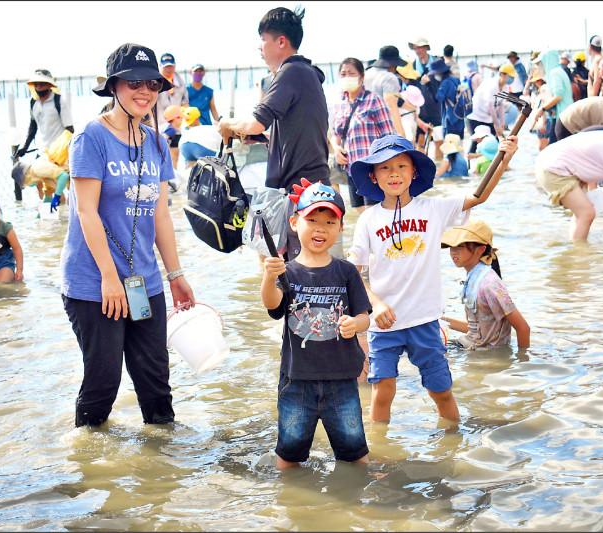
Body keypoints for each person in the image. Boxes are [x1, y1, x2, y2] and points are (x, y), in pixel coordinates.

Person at [61, 43, 196, 428]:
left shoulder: (155, 141)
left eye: (152, 84)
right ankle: (89, 462)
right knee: (104, 381)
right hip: (94, 282)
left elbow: (160, 213)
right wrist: (108, 276)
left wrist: (175, 275)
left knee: (156, 382)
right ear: (114, 87)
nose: (145, 92)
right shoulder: (91, 138)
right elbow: (85, 211)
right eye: (134, 82)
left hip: (144, 280)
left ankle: (162, 471)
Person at [346, 133, 519, 424]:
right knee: (382, 391)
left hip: (425, 320)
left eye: (401, 166)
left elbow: (479, 195)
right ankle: (380, 457)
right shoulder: (368, 219)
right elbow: (353, 271)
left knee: (441, 391)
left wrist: (504, 159)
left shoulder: (432, 209)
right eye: (384, 168)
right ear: (373, 176)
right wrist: (375, 303)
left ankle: (452, 447)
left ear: (414, 172)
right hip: (384, 323)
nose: (394, 173)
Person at [260, 179, 371, 470]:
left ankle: (358, 503)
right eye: (312, 219)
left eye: (329, 221)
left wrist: (354, 325)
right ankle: (290, 506)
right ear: (295, 222)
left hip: (343, 379)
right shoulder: (288, 272)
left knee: (355, 453)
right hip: (296, 380)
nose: (321, 227)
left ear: (340, 228)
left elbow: (364, 316)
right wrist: (268, 277)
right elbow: (273, 306)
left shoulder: (346, 271)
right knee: (289, 455)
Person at [218, 6, 330, 261]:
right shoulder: (308, 73)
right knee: (288, 268)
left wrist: (227, 124)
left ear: (281, 42)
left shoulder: (291, 71)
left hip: (300, 190)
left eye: (263, 39)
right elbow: (294, 132)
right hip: (312, 186)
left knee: (288, 272)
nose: (260, 47)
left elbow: (255, 124)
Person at [441, 218, 529, 350]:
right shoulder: (473, 278)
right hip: (470, 346)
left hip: (484, 354)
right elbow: (476, 329)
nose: (453, 251)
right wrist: (438, 320)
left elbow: (523, 328)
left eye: (460, 246)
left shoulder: (489, 285)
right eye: (452, 246)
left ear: (481, 249)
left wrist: (523, 361)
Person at [330, 57, 396, 214]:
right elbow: (335, 134)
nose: (347, 77)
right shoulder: (339, 103)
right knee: (362, 215)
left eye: (351, 73)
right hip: (351, 169)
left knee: (376, 215)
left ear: (361, 77)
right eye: (343, 74)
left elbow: (389, 136)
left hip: (372, 169)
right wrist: (336, 148)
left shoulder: (373, 100)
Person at [15, 69, 74, 161]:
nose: (38, 88)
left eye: (42, 84)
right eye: (36, 84)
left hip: (59, 154)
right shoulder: (34, 103)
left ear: (50, 85)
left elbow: (70, 129)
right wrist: (24, 147)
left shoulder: (59, 101)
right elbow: (33, 126)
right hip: (41, 152)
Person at [466, 63, 516, 153]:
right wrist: (497, 125)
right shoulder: (492, 85)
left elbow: (501, 105)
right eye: (510, 76)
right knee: (476, 142)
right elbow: (491, 107)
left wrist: (502, 123)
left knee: (494, 142)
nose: (512, 78)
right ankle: (471, 164)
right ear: (502, 74)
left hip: (487, 117)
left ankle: (499, 165)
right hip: (475, 116)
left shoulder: (505, 87)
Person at [409, 37, 444, 158]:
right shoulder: (412, 66)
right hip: (420, 108)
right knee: (420, 140)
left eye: (419, 47)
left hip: (436, 106)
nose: (417, 50)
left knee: (439, 139)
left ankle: (438, 166)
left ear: (426, 48)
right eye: (415, 48)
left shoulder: (437, 63)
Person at [363, 45, 407, 137]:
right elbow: (390, 106)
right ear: (394, 64)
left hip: (364, 126)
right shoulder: (389, 78)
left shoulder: (366, 74)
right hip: (381, 127)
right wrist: (401, 135)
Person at [430, 57, 464, 139]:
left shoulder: (445, 83)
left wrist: (429, 85)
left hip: (451, 119)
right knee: (458, 144)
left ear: (440, 72)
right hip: (459, 117)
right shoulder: (455, 79)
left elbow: (438, 97)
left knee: (450, 145)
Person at [155, 53, 189, 130]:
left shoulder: (181, 83)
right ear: (160, 66)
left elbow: (185, 103)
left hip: (178, 128)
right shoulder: (154, 83)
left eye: (170, 66)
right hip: (160, 127)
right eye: (166, 67)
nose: (168, 69)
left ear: (175, 66)